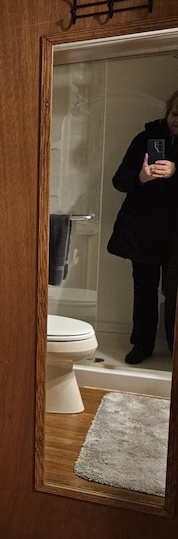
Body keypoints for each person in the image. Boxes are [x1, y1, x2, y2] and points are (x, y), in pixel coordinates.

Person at [107, 90, 178, 364]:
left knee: (174, 294)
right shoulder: (145, 139)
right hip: (143, 232)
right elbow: (118, 181)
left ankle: (175, 350)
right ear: (167, 112)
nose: (177, 121)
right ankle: (142, 345)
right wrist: (140, 177)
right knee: (144, 290)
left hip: (174, 236)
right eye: (175, 114)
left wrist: (175, 172)